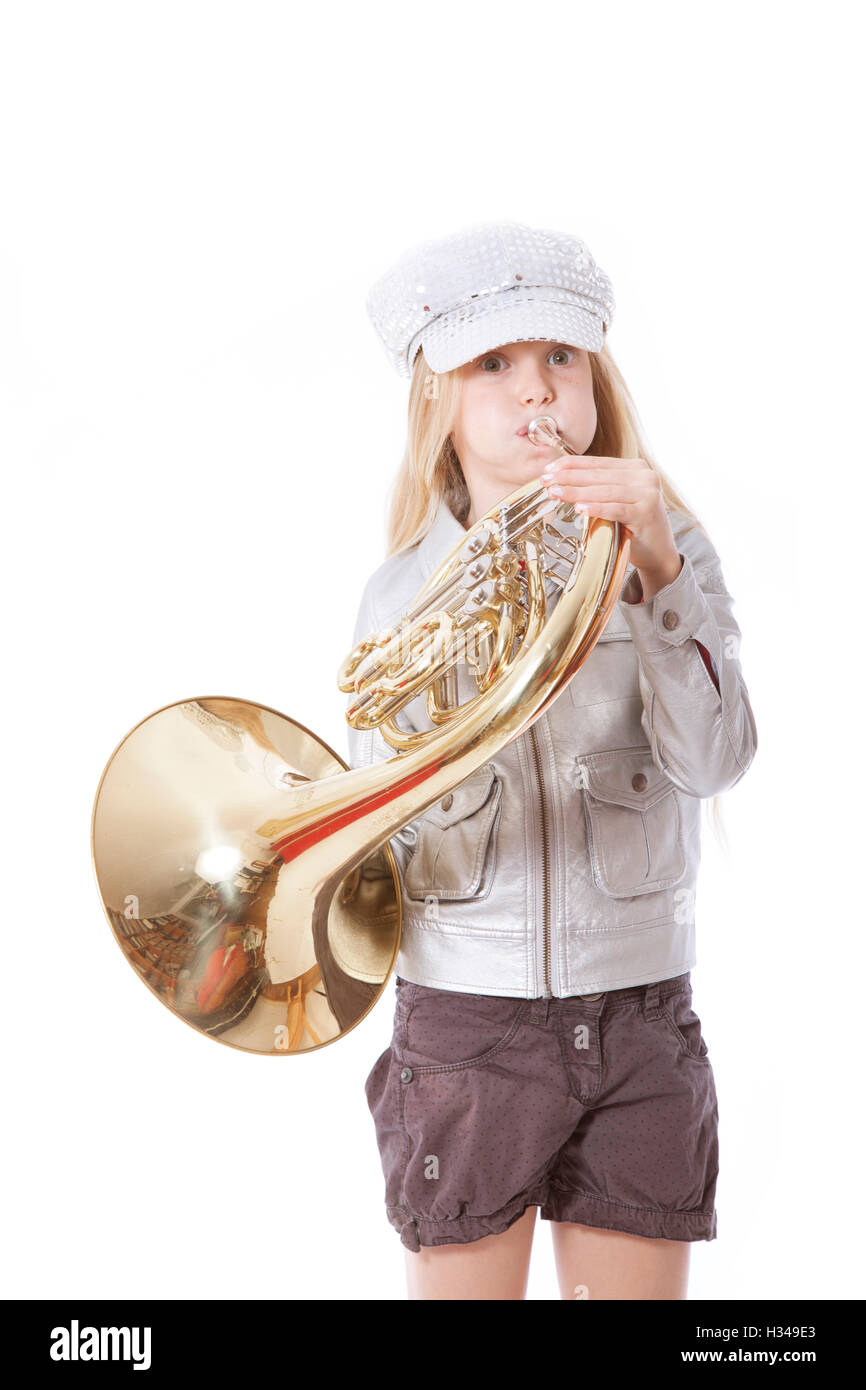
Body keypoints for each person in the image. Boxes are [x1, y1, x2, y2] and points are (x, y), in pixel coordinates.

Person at [346, 221, 758, 1300]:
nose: (536, 390)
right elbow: (381, 839)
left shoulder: (669, 546)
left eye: (559, 357)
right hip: (464, 1026)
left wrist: (659, 572)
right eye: (495, 363)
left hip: (638, 1011)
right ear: (437, 394)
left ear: (594, 379)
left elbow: (715, 763)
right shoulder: (397, 601)